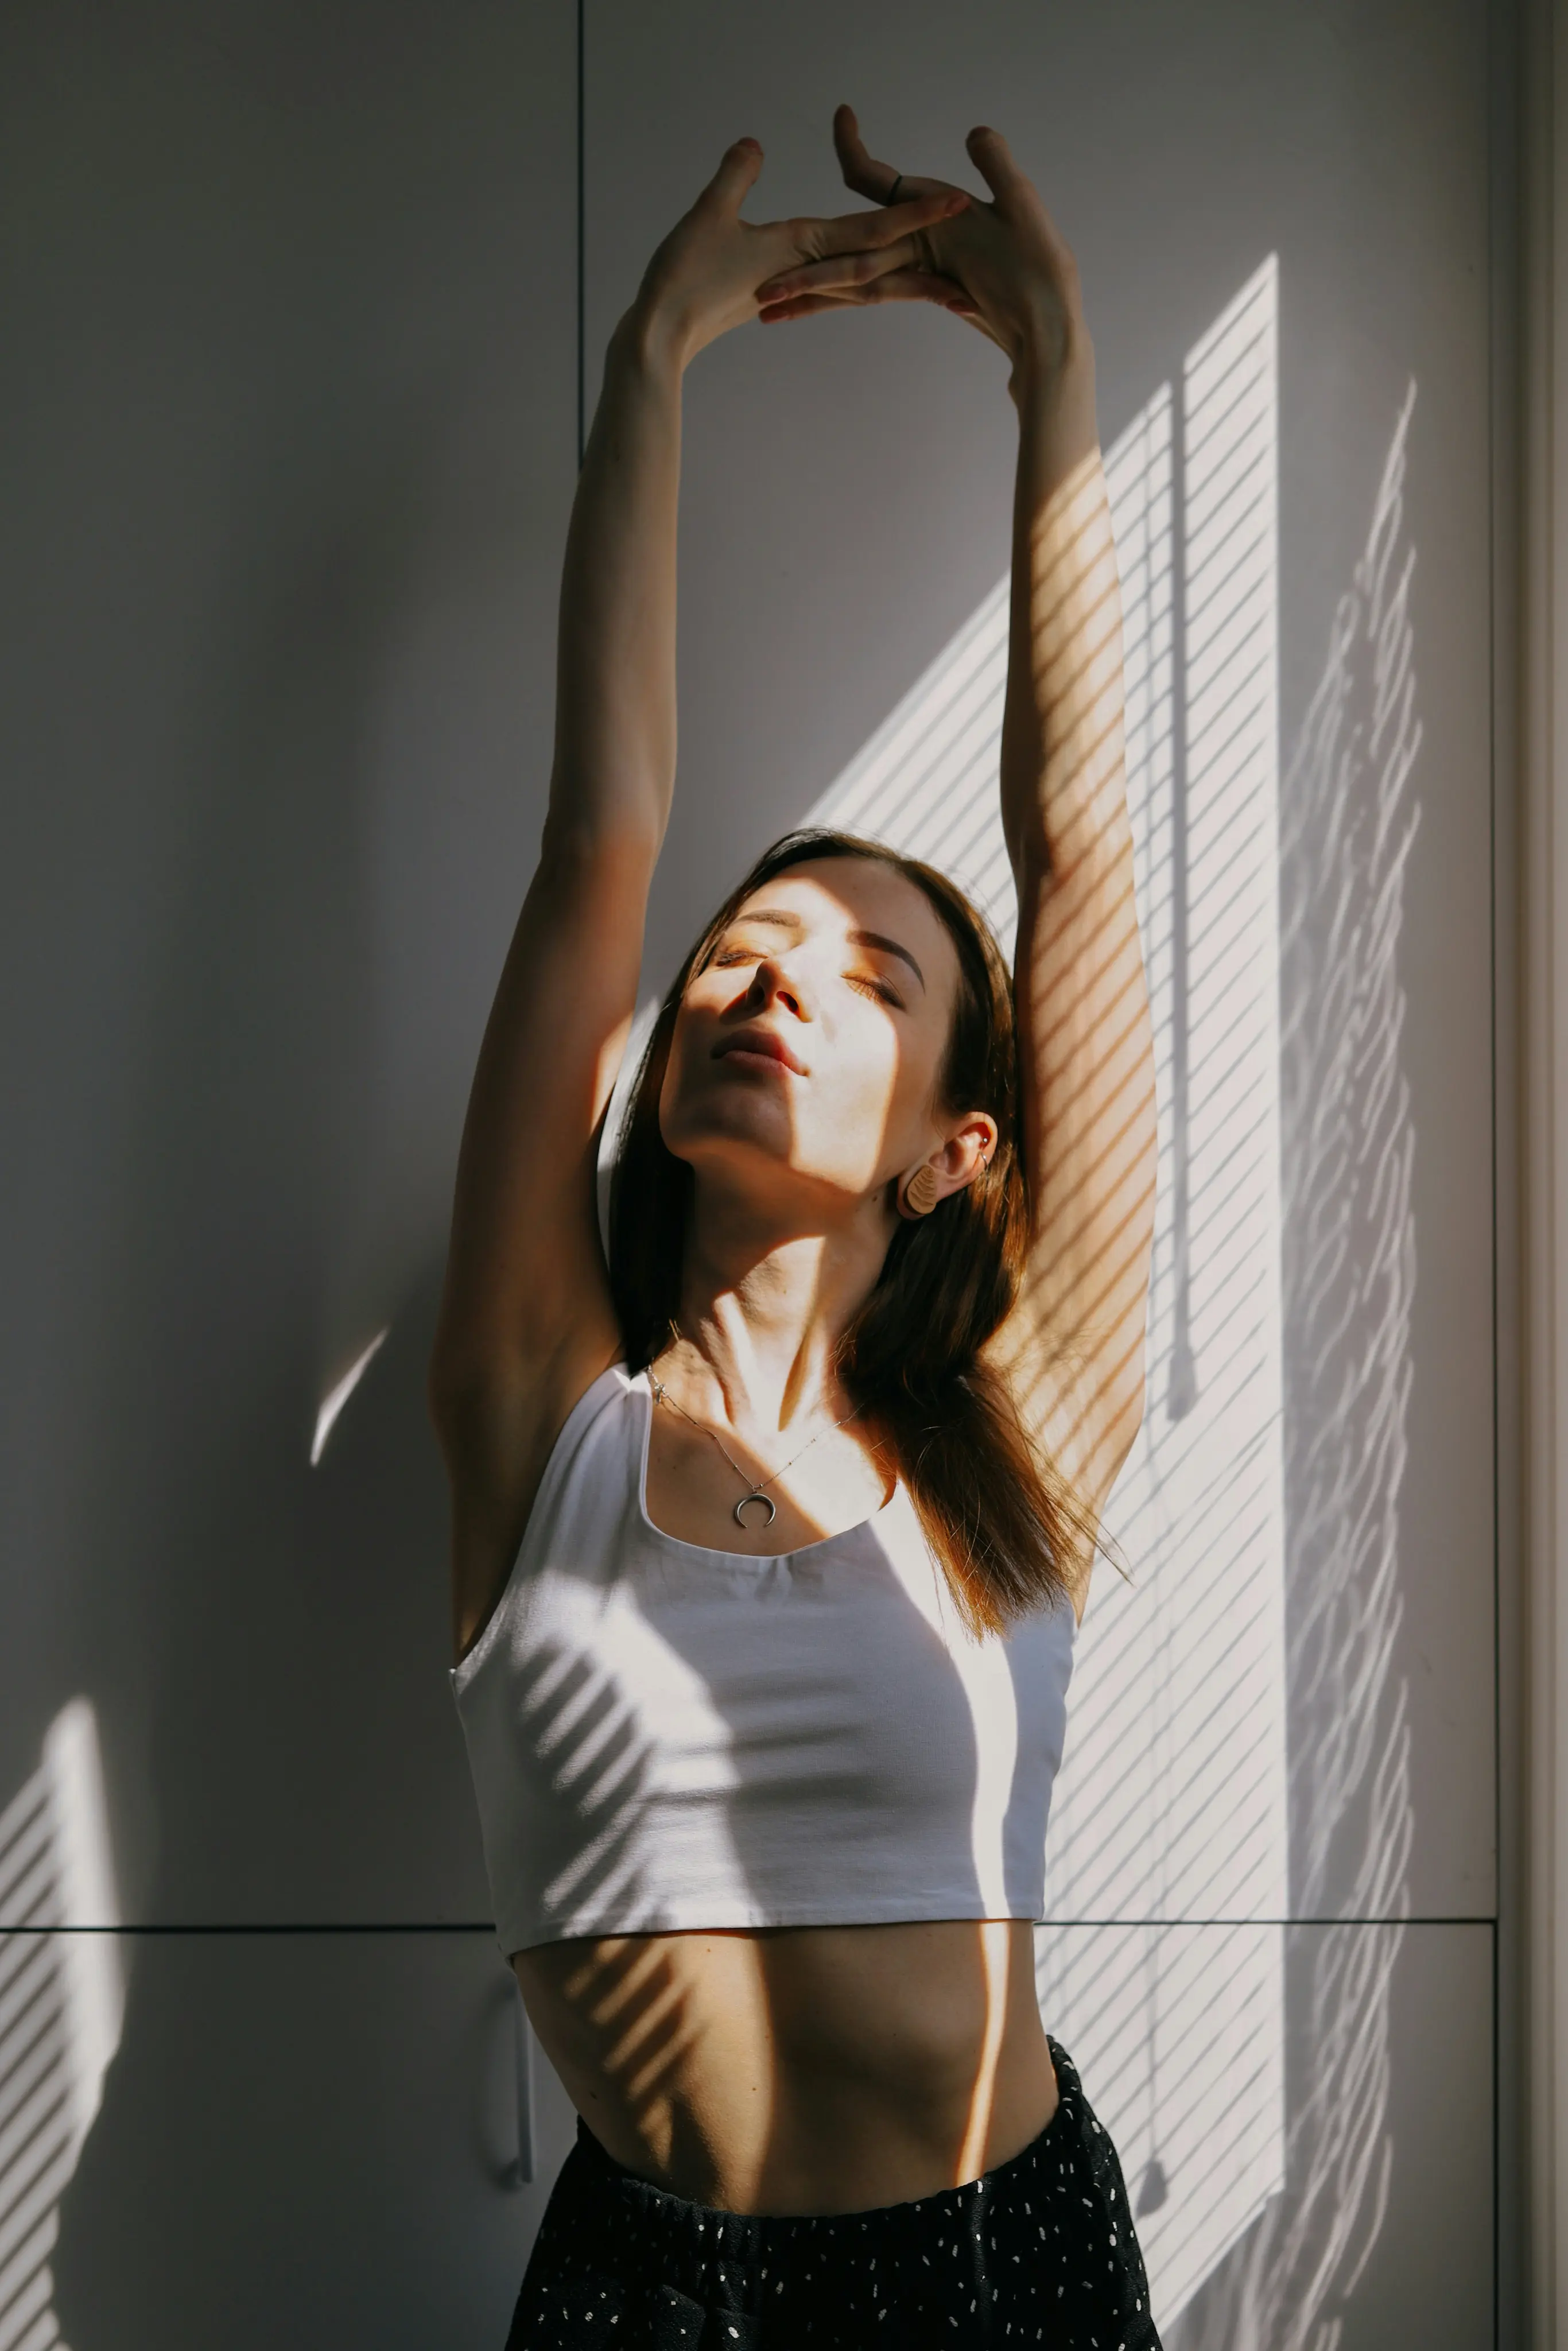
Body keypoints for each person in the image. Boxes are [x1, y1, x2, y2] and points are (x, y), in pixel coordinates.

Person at [429, 103, 1161, 2350]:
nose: (772, 984)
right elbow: (596, 836)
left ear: (954, 1144)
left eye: (868, 980)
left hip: (1008, 2272)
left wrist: (1054, 377)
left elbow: (1080, 852)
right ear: (661, 1063)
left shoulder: (1019, 1432)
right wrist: (649, 358)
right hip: (654, 2294)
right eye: (746, 954)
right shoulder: (539, 1416)